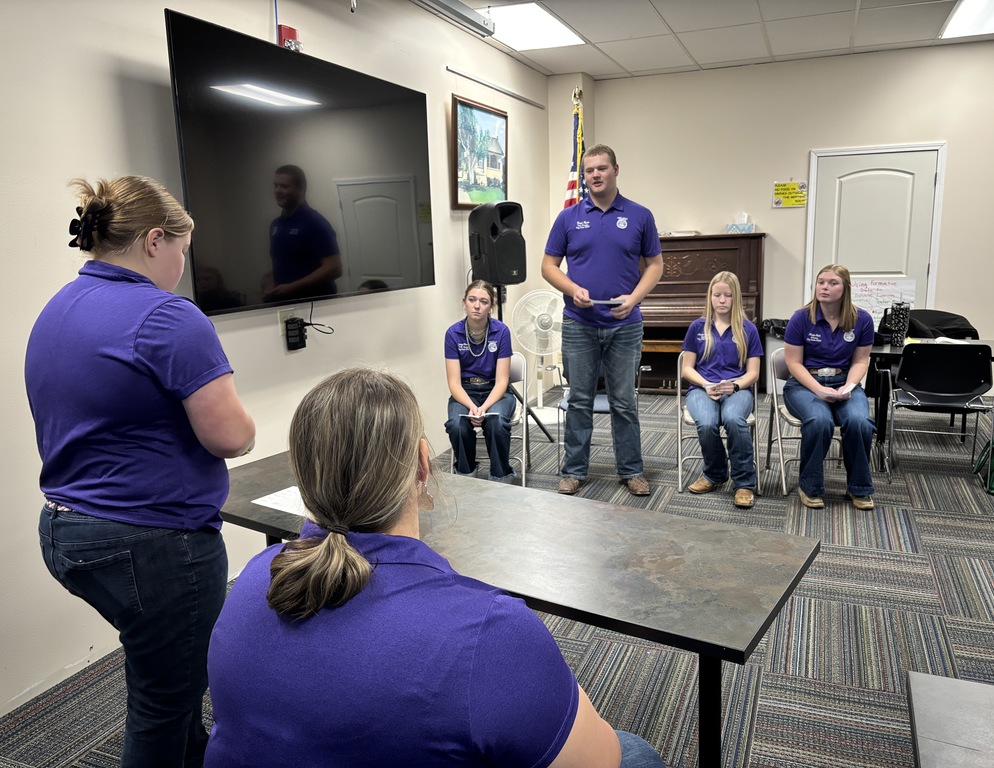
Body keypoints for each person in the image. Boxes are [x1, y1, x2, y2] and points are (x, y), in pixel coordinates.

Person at [204, 368, 665, 768]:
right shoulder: (491, 631)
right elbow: (602, 759)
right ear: (424, 466)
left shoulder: (253, 578)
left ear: (304, 475)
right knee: (635, 750)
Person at [26, 176, 256, 768]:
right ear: (155, 240)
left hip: (66, 531)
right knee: (162, 703)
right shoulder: (168, 317)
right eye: (182, 248)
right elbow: (233, 436)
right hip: (152, 546)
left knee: (165, 675)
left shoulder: (58, 308)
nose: (184, 263)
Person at [542, 144, 664, 496]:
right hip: (579, 324)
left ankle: (632, 470)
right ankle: (574, 471)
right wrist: (572, 287)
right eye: (589, 170)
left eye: (601, 169)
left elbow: (655, 265)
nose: (594, 175)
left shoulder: (640, 216)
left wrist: (634, 298)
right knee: (579, 399)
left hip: (625, 326)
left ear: (615, 170)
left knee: (624, 401)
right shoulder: (568, 218)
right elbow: (548, 266)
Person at [783, 263, 875, 510]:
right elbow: (793, 362)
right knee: (820, 420)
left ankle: (859, 488)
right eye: (821, 282)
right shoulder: (801, 318)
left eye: (833, 283)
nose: (824, 287)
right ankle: (810, 487)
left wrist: (849, 386)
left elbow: (861, 360)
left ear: (845, 288)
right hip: (803, 385)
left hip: (844, 382)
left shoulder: (862, 319)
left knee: (859, 422)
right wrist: (818, 390)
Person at [680, 271, 763, 508]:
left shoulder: (748, 329)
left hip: (737, 389)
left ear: (736, 298)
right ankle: (714, 474)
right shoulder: (698, 327)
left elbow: (754, 373)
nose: (722, 300)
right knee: (706, 423)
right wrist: (706, 385)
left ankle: (744, 483)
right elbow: (687, 368)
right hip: (702, 389)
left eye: (728, 295)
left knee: (734, 419)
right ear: (710, 297)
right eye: (717, 295)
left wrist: (735, 385)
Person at [444, 280, 517, 482]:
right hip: (465, 392)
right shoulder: (453, 333)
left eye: (484, 301)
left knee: (497, 421)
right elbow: (454, 383)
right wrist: (471, 407)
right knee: (456, 424)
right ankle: (466, 474)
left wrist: (483, 407)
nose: (477, 306)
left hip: (496, 392)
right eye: (472, 300)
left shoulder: (501, 331)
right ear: (464, 302)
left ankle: (500, 475)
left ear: (491, 306)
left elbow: (502, 381)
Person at [264, 164, 342, 302]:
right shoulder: (276, 225)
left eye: (284, 186)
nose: (277, 190)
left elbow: (334, 268)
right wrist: (271, 285)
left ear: (301, 188)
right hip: (286, 304)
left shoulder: (315, 222)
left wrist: (292, 287)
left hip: (316, 305)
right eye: (275, 186)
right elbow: (285, 264)